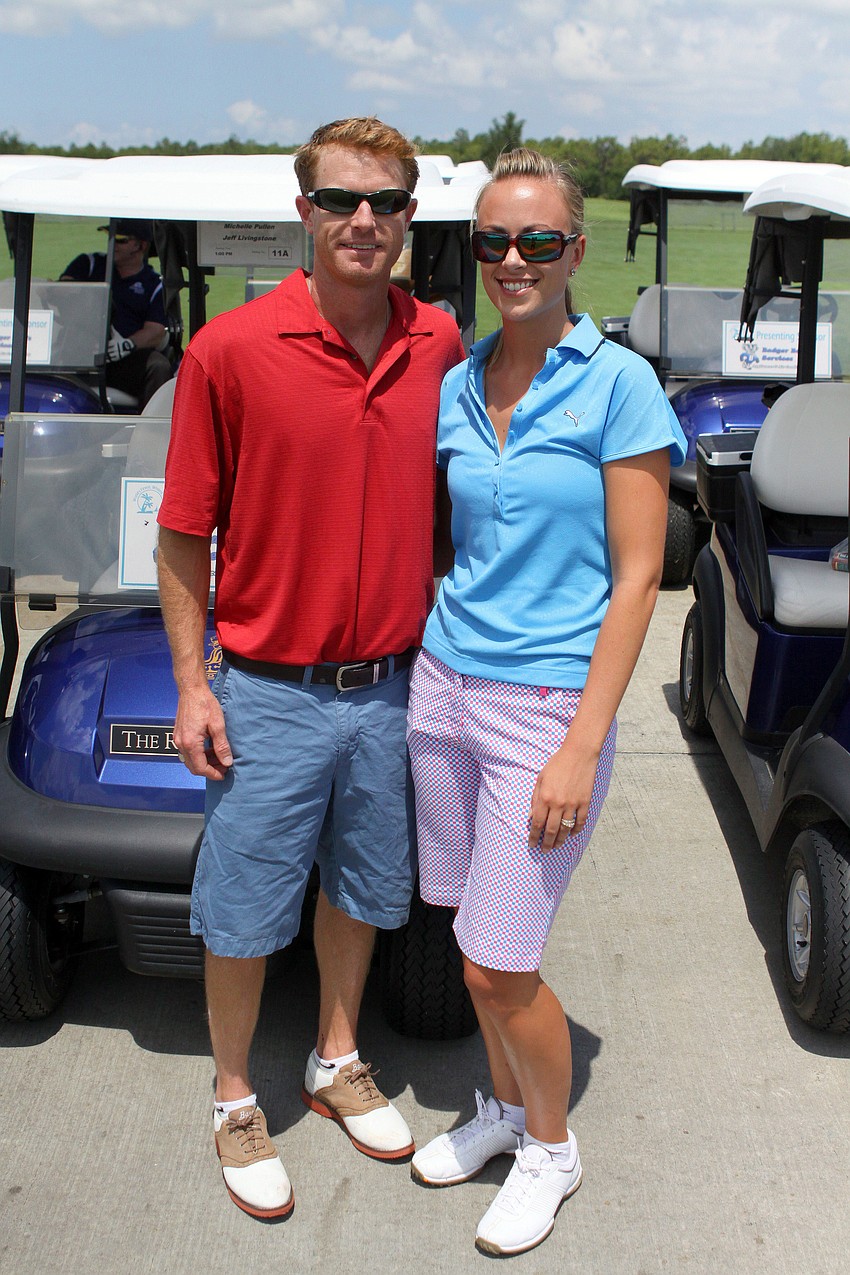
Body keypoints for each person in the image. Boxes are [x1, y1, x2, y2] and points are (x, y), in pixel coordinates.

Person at [156, 118, 465, 1220]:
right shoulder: (230, 349)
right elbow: (185, 533)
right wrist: (194, 684)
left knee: (366, 890)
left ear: (409, 217)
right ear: (305, 214)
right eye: (340, 201)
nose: (363, 221)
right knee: (242, 908)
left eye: (383, 202)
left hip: (392, 685)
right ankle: (234, 1094)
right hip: (269, 691)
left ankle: (334, 1060)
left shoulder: (439, 344)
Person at [406, 149, 687, 1257]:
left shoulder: (618, 384)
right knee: (467, 935)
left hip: (545, 710)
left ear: (574, 250)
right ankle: (504, 1109)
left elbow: (636, 578)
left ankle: (551, 1150)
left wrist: (582, 742)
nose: (512, 260)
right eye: (491, 242)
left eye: (537, 241)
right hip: (444, 691)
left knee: (497, 961)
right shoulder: (457, 385)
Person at [60, 218, 172, 409]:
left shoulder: (153, 284)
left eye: (120, 240)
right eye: (110, 237)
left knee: (158, 366)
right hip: (81, 352)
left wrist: (127, 344)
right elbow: (63, 290)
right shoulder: (89, 264)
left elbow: (155, 330)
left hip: (123, 359)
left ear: (141, 246)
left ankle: (151, 432)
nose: (113, 245)